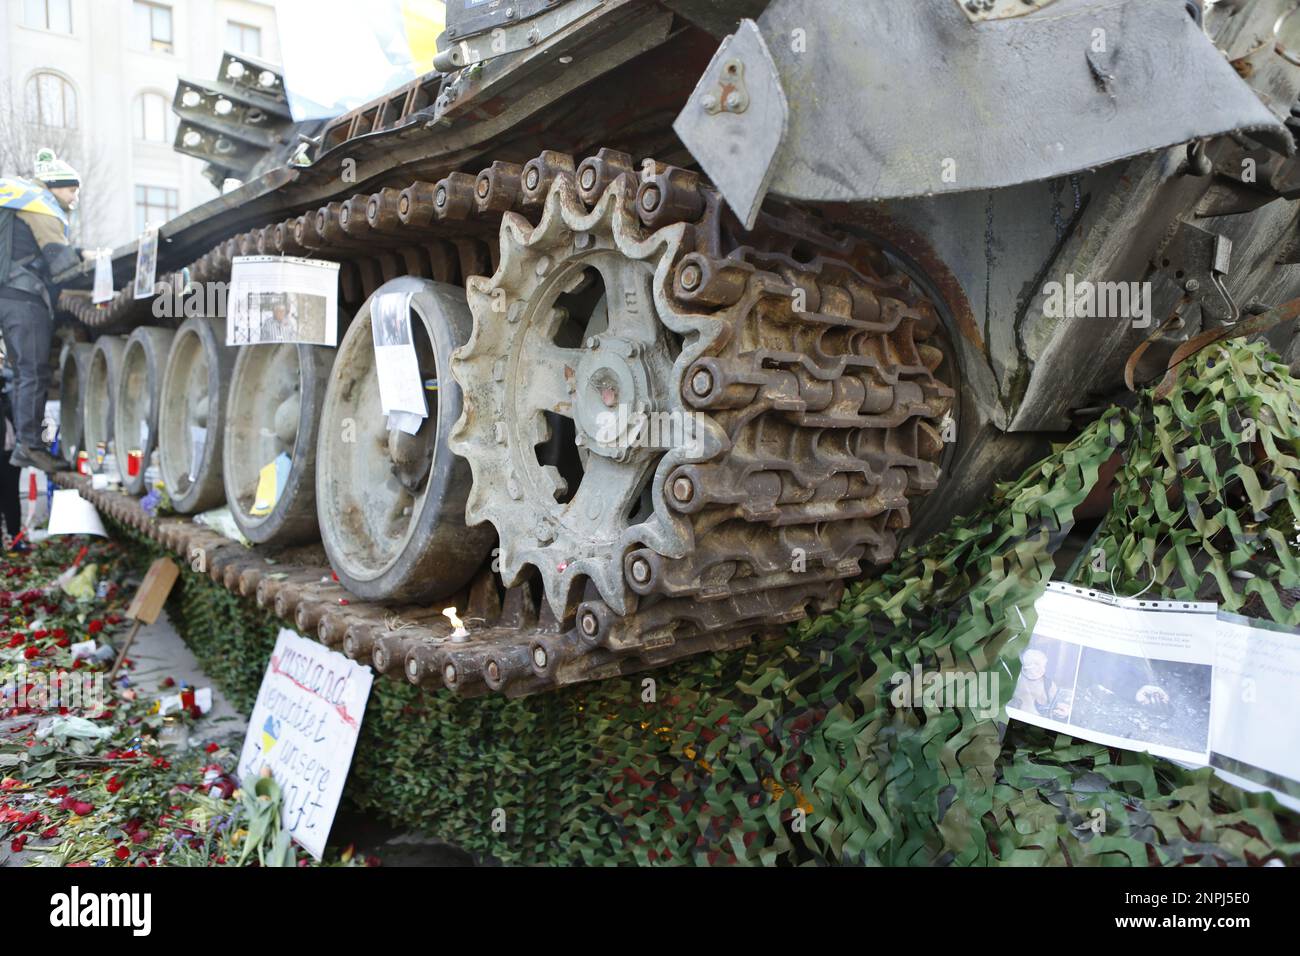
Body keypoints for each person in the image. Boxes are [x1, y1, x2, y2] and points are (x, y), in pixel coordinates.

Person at [0, 149, 82, 472]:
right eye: (71, 189)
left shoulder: (14, 199)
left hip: (7, 296)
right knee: (33, 372)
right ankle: (31, 446)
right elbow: (58, 257)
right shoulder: (41, 204)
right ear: (55, 185)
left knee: (22, 372)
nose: (74, 196)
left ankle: (26, 442)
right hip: (25, 299)